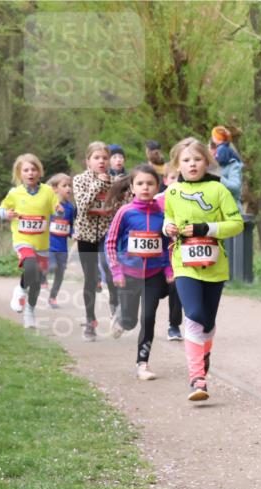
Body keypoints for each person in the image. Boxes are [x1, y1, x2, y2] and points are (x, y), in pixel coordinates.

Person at [162, 137, 244, 401]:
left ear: (206, 162)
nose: (192, 164)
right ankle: (197, 378)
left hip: (214, 264)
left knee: (207, 321)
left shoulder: (218, 190)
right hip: (184, 263)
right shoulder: (173, 192)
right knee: (194, 314)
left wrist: (205, 228)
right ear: (177, 165)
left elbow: (236, 224)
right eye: (186, 160)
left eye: (197, 159)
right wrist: (168, 228)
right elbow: (168, 219)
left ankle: (203, 354)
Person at [105, 164, 172, 380]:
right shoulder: (125, 212)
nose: (145, 187)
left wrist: (169, 269)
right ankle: (121, 318)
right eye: (140, 183)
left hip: (153, 275)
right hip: (128, 275)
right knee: (130, 321)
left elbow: (169, 244)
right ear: (132, 188)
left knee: (149, 317)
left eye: (150, 183)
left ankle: (142, 363)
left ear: (157, 186)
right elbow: (111, 243)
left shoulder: (163, 214)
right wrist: (116, 272)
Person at [0, 154, 60, 329]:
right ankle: (19, 289)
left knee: (35, 282)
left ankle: (30, 312)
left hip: (42, 243)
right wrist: (6, 214)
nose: (30, 173)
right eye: (26, 170)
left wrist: (59, 210)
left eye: (33, 169)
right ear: (20, 173)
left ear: (39, 171)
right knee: (30, 265)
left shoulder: (48, 192)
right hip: (22, 239)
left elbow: (56, 209)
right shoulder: (15, 193)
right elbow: (3, 209)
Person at [73, 141, 121, 341]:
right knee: (91, 279)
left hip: (106, 234)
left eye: (104, 158)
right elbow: (83, 206)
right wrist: (98, 183)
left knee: (109, 267)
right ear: (88, 161)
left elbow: (119, 208)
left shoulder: (115, 181)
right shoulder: (79, 180)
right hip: (85, 236)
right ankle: (90, 321)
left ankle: (114, 306)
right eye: (97, 158)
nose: (101, 161)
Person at [155, 162, 184, 341]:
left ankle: (174, 326)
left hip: (177, 256)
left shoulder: (187, 199)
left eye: (178, 178)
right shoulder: (157, 200)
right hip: (157, 257)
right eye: (172, 178)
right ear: (165, 180)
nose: (176, 181)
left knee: (177, 287)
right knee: (153, 293)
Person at [45, 173, 74, 309]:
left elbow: (71, 225)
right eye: (65, 185)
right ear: (55, 188)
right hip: (49, 245)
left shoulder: (71, 208)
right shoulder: (49, 205)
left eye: (69, 186)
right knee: (52, 267)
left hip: (63, 248)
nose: (68, 188)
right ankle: (41, 277)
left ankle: (53, 298)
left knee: (60, 273)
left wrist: (73, 234)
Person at [210, 126, 244, 209]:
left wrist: (217, 177)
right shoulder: (206, 168)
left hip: (231, 209)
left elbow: (235, 188)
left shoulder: (230, 163)